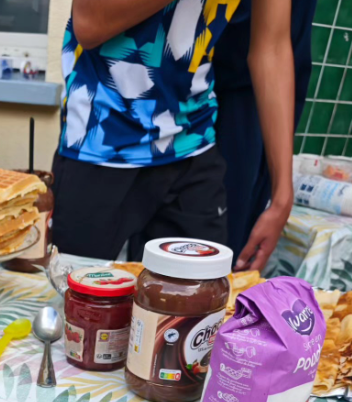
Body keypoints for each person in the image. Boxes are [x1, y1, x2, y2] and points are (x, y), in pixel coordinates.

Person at [51, 0, 294, 270]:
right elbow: (90, 22)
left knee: (199, 306)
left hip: (193, 141)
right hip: (99, 142)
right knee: (78, 305)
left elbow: (271, 49)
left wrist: (282, 194)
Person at [213, 0, 317, 269]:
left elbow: (272, 49)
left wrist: (283, 194)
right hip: (208, 91)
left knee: (225, 263)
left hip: (265, 96)